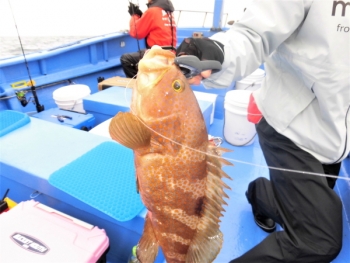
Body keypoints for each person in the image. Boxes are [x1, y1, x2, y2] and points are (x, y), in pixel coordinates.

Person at [179, 0, 349, 262]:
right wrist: (217, 51)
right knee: (317, 240)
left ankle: (260, 192)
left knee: (309, 211)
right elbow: (254, 32)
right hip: (291, 125)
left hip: (336, 134)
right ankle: (263, 193)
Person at [121, 0, 177, 78]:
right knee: (140, 52)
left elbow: (136, 33)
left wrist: (134, 15)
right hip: (170, 54)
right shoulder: (168, 11)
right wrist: (141, 15)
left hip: (158, 55)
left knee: (126, 59)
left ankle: (139, 86)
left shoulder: (152, 11)